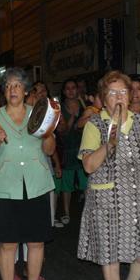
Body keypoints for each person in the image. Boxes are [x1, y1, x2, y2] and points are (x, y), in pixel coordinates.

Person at [78, 70, 140, 280]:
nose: (118, 97)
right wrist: (108, 143)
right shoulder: (95, 124)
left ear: (131, 95)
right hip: (106, 199)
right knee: (110, 255)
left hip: (139, 196)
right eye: (112, 93)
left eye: (123, 92)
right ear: (103, 98)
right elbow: (89, 166)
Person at [0, 67, 55, 280]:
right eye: (9, 85)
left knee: (36, 242)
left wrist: (48, 133)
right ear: (5, 91)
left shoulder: (39, 115)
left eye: (17, 85)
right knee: (7, 243)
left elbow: (51, 150)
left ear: (25, 90)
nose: (13, 90)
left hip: (36, 184)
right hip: (4, 187)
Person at [56, 78, 87, 225]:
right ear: (63, 91)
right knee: (67, 185)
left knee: (86, 183)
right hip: (68, 149)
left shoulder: (85, 105)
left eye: (73, 87)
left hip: (85, 148)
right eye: (67, 88)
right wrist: (73, 117)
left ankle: (88, 212)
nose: (70, 90)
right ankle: (66, 213)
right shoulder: (60, 109)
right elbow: (62, 132)